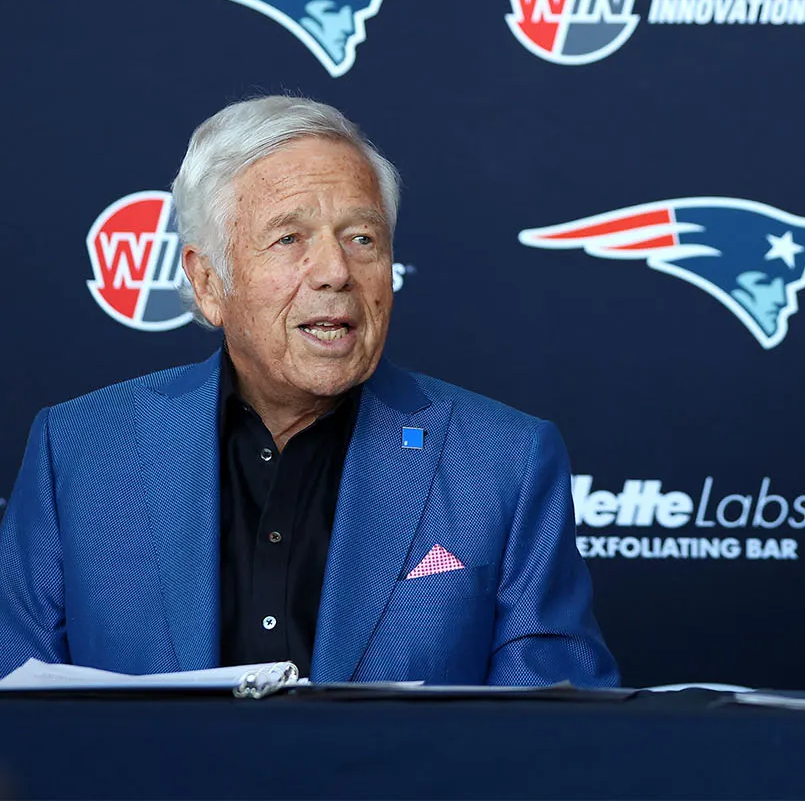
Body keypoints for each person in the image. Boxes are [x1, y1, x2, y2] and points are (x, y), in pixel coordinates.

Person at [0, 96, 618, 686]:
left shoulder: (503, 461)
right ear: (210, 282)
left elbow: (552, 732)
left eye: (362, 238)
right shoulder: (78, 451)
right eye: (289, 238)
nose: (335, 271)